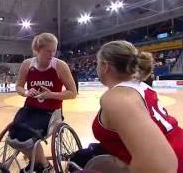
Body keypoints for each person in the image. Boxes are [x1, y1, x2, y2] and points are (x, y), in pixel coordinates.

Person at [70, 40, 183, 173]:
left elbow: (160, 167)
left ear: (105, 66)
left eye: (98, 63)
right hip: (174, 146)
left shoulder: (118, 97)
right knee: (82, 157)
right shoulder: (141, 86)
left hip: (172, 162)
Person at [9, 32, 77, 172]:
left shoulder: (60, 66)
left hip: (51, 111)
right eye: (48, 51)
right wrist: (27, 92)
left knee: (27, 139)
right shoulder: (27, 64)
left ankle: (44, 165)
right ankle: (38, 162)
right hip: (29, 108)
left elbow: (72, 93)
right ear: (38, 49)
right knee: (13, 138)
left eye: (54, 50)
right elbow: (19, 87)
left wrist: (50, 94)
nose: (52, 54)